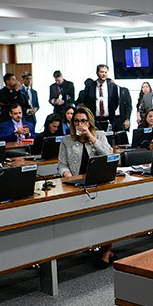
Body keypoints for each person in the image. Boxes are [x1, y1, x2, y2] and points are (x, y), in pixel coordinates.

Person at [56, 106, 115, 267]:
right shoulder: (66, 140)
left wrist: (90, 137)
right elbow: (61, 165)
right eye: (76, 121)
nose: (80, 124)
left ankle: (107, 251)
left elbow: (109, 154)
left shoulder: (99, 135)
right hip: (75, 184)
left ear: (89, 122)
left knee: (105, 217)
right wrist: (68, 175)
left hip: (99, 182)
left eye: (83, 121)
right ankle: (82, 244)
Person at [78, 64, 119, 131]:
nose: (104, 74)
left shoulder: (113, 86)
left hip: (109, 120)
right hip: (94, 120)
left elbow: (116, 102)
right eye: (101, 72)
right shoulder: (89, 86)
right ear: (97, 73)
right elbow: (86, 102)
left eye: (105, 72)